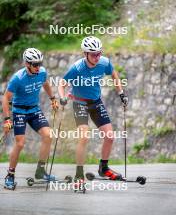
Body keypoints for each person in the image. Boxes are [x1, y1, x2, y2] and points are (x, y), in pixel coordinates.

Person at [58, 36, 128, 183]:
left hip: (96, 102)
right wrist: (62, 97)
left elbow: (114, 74)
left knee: (109, 137)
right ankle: (79, 173)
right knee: (84, 137)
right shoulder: (77, 68)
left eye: (99, 53)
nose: (97, 57)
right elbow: (62, 83)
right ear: (85, 54)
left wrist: (121, 93)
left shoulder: (104, 62)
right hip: (80, 103)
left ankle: (104, 168)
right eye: (94, 54)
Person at [2, 48, 59, 190]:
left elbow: (45, 83)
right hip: (19, 111)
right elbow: (6, 98)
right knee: (20, 143)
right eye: (35, 64)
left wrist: (52, 98)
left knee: (48, 135)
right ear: (27, 64)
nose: (38, 67)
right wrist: (7, 119)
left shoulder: (42, 72)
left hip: (34, 109)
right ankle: (10, 175)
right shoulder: (18, 78)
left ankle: (40, 171)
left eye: (40, 63)